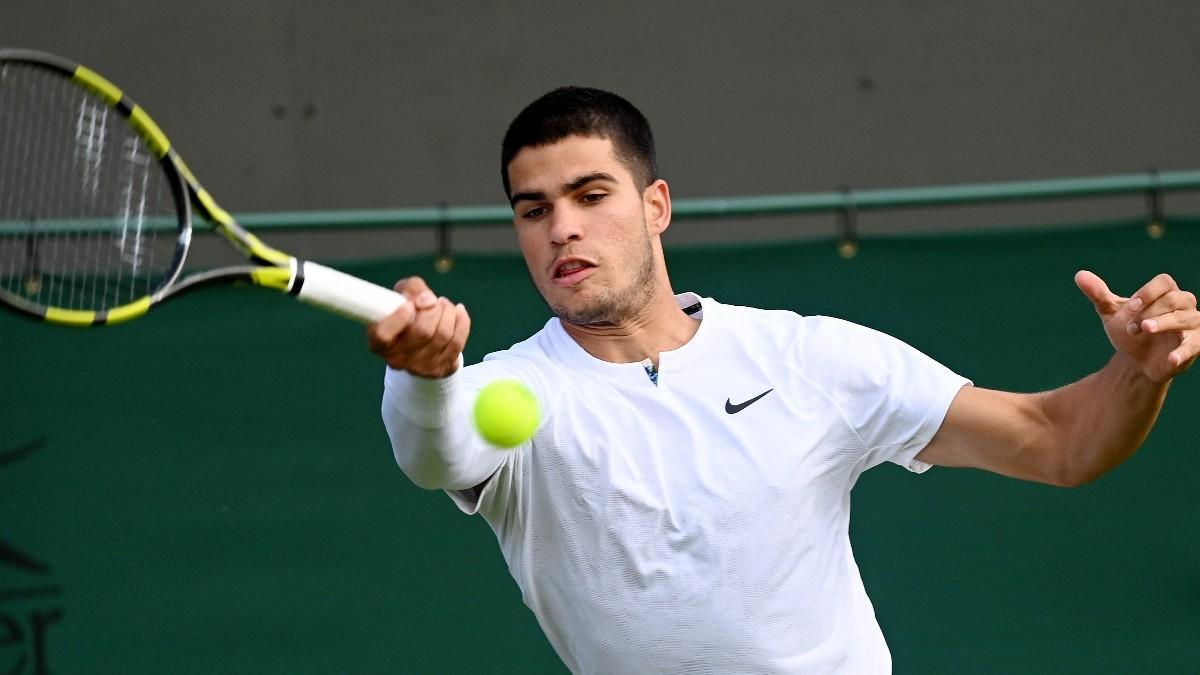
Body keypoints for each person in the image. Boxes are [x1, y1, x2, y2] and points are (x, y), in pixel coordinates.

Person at [367, 87, 1198, 673]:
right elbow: (432, 453)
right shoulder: (512, 390)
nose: (564, 228)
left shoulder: (809, 358)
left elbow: (1059, 443)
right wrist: (425, 375)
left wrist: (1136, 373)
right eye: (534, 209)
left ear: (656, 205)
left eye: (591, 195)